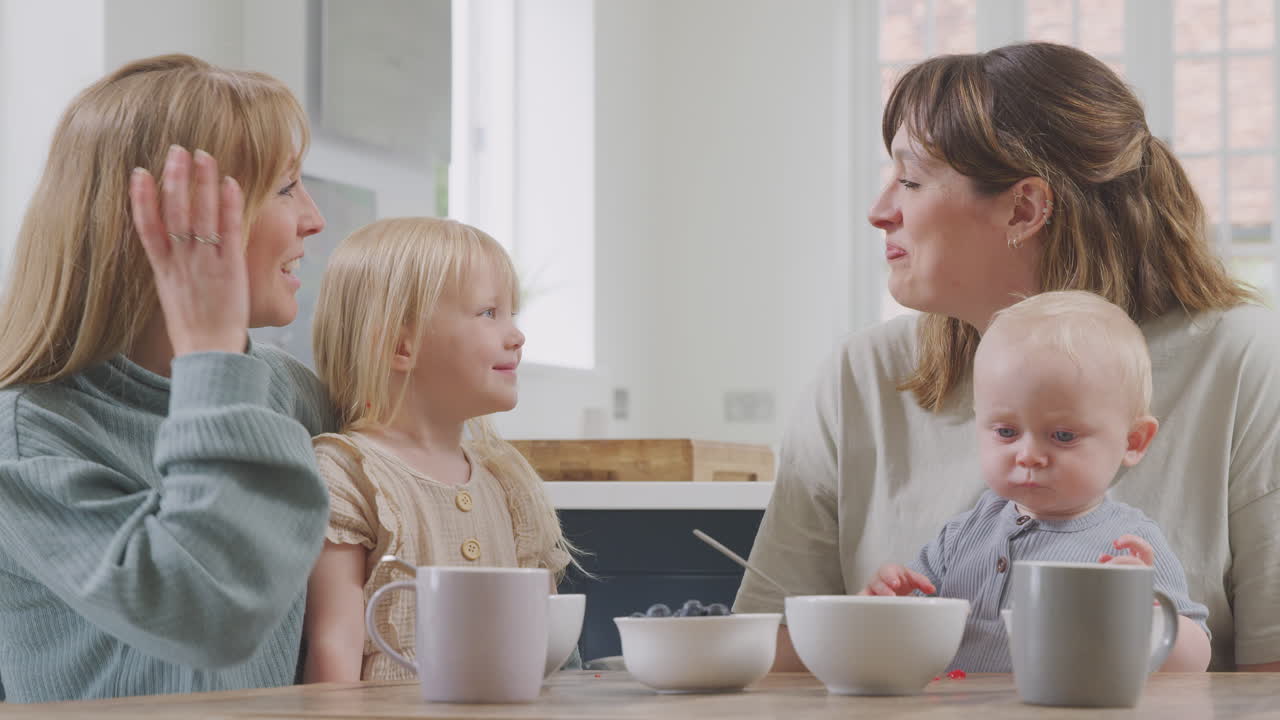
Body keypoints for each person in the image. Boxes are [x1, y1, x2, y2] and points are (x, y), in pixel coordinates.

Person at [733, 41, 1280, 672]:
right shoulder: (862, 375)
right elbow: (775, 657)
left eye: (910, 180)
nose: (880, 212)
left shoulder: (1245, 365)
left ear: (1024, 207)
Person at [0, 54, 332, 702]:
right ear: (164, 221)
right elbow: (207, 613)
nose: (314, 218)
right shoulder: (26, 440)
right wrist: (210, 352)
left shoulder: (293, 394)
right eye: (286, 188)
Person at [860, 291, 1210, 672]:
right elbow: (906, 634)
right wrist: (885, 601)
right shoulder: (961, 536)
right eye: (1007, 431)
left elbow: (1195, 660)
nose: (1027, 455)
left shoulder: (1129, 545)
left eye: (1062, 436)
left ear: (1133, 441)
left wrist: (1142, 609)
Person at [301, 217, 577, 682]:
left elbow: (546, 651)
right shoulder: (347, 474)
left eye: (512, 313)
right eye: (490, 313)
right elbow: (334, 648)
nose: (517, 335)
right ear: (399, 345)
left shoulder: (508, 481)